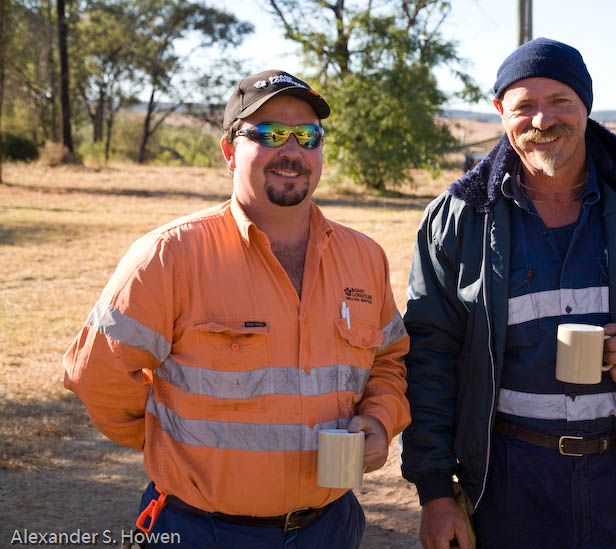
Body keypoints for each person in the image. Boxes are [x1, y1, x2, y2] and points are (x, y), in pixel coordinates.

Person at [400, 38, 616, 548]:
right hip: (507, 487)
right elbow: (429, 354)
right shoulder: (456, 219)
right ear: (501, 111)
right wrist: (435, 492)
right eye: (524, 106)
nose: (543, 120)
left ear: (586, 105)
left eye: (560, 101)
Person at [63, 69, 410, 548]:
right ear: (229, 150)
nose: (291, 150)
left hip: (329, 527)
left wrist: (379, 418)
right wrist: (169, 444)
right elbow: (96, 376)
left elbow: (390, 361)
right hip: (200, 529)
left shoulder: (364, 257)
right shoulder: (170, 255)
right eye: (269, 133)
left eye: (307, 135)